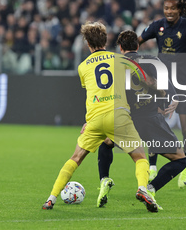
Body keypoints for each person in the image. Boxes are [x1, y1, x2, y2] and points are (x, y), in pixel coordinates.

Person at [42, 21, 159, 212]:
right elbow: (146, 80)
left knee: (76, 157)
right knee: (139, 157)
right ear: (106, 40)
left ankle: (51, 198)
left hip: (94, 120)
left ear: (88, 44)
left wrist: (88, 121)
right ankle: (142, 188)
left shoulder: (83, 67)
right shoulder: (121, 60)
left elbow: (92, 92)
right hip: (119, 115)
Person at [95, 30, 186, 208]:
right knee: (180, 159)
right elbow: (166, 86)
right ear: (138, 46)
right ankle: (150, 188)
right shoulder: (151, 60)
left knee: (106, 142)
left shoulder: (114, 63)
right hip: (149, 117)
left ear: (120, 48)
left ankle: (104, 180)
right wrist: (173, 99)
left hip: (124, 118)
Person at [138, 0, 186, 188]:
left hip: (183, 84)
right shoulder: (157, 26)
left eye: (172, 8)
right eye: (166, 8)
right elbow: (137, 42)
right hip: (162, 83)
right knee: (154, 121)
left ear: (180, 10)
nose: (169, 11)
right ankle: (153, 166)